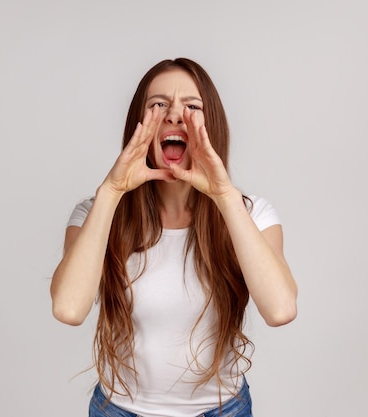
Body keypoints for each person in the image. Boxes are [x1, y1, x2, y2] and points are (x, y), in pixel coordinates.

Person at [50, 58, 298, 417]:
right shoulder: (96, 213)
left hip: (222, 410)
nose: (175, 115)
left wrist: (224, 196)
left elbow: (280, 309)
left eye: (192, 106)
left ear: (211, 124)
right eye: (159, 104)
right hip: (117, 410)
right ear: (140, 125)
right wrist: (112, 191)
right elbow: (68, 309)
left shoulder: (252, 214)